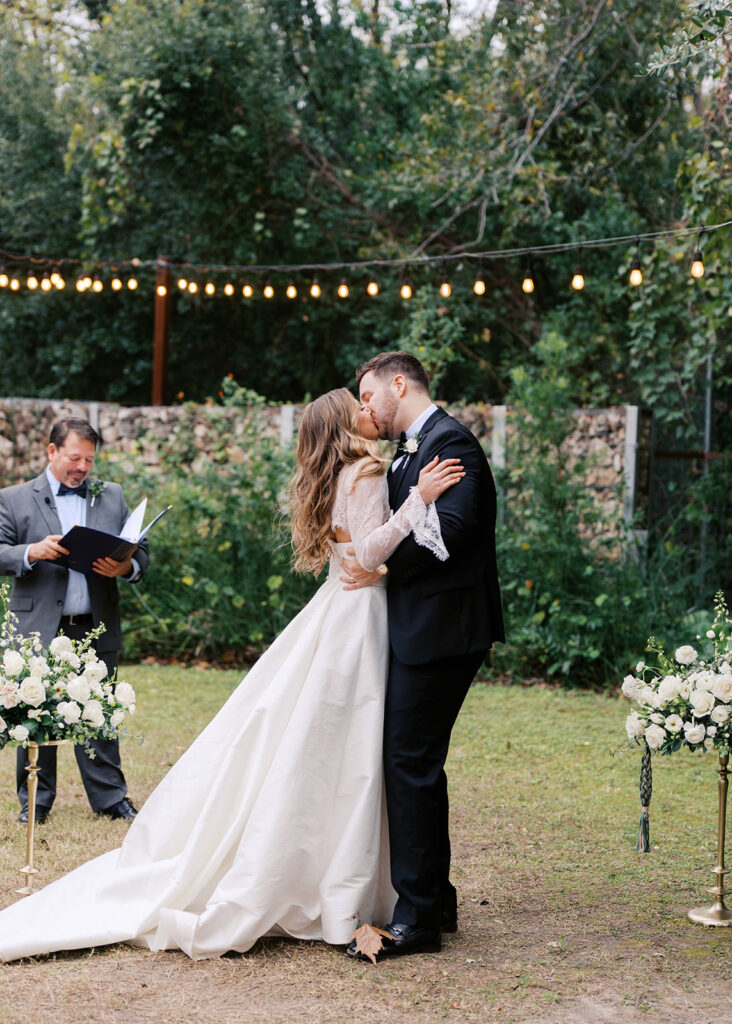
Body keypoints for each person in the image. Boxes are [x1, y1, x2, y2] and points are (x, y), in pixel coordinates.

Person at [0, 388, 463, 963]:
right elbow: (368, 554)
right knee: (350, 737)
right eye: (360, 405)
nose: (369, 411)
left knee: (327, 734)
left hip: (340, 605)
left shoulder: (336, 473)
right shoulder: (366, 473)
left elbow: (355, 553)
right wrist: (418, 499)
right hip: (358, 613)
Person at [345, 351, 504, 960]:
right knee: (415, 763)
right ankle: (435, 900)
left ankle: (418, 920)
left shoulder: (451, 443)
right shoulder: (411, 449)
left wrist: (384, 566)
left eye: (368, 395)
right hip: (424, 626)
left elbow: (454, 532)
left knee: (408, 762)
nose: (365, 407)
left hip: (444, 628)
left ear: (399, 384)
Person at [0, 417, 149, 823]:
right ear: (51, 451)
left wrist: (126, 567)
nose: (82, 467)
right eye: (74, 458)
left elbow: (141, 550)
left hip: (95, 623)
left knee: (100, 712)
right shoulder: (13, 498)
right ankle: (35, 801)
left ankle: (110, 799)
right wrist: (31, 552)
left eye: (89, 460)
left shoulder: (112, 495)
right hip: (38, 626)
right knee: (35, 710)